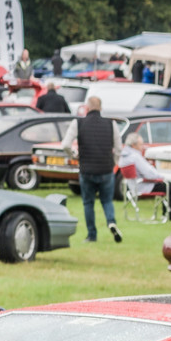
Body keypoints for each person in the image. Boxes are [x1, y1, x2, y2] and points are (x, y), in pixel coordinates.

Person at [67, 95, 121, 243]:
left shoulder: (78, 123)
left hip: (86, 169)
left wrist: (74, 155)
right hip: (106, 169)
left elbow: (65, 144)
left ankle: (92, 234)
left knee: (88, 203)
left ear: (87, 107)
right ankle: (111, 222)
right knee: (107, 201)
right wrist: (113, 162)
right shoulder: (111, 124)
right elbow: (118, 148)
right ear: (101, 108)